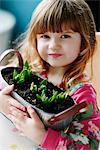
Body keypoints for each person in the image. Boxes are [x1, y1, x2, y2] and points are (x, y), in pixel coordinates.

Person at [0, 0, 100, 149]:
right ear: (35, 38)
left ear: (84, 42)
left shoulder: (81, 95)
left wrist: (41, 136)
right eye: (45, 36)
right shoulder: (25, 69)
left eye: (65, 36)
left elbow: (89, 145)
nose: (53, 45)